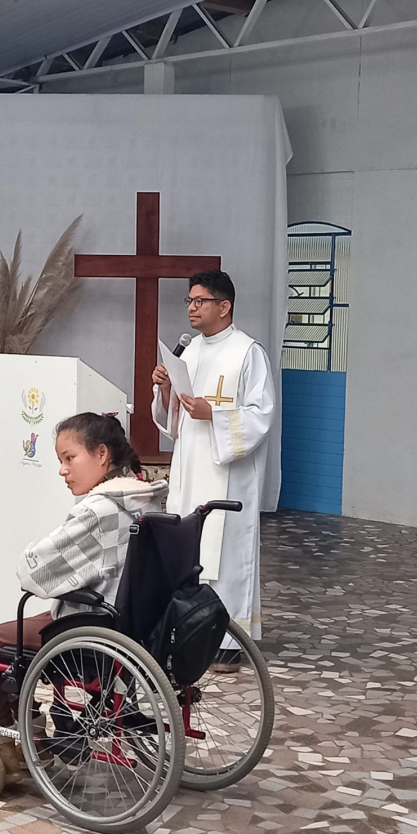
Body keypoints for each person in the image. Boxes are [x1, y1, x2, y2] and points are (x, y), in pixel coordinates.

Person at [0, 412, 168, 780]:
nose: (63, 470)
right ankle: (36, 727)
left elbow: (33, 572)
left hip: (93, 626)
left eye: (69, 458)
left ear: (102, 455)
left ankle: (13, 739)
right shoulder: (147, 498)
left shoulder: (98, 511)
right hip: (139, 623)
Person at [151, 270, 275, 671]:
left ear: (224, 306)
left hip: (227, 472)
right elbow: (174, 421)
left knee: (224, 553)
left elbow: (261, 414)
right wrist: (165, 390)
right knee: (189, 549)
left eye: (200, 301)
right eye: (189, 301)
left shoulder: (247, 352)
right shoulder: (188, 352)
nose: (191, 307)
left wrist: (215, 415)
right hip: (190, 467)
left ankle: (227, 642)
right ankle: (187, 631)